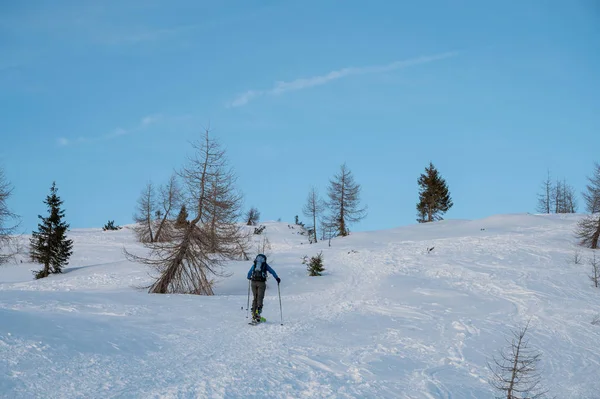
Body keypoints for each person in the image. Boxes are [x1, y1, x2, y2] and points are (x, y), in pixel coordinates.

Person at [247, 253, 280, 322]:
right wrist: (277, 278)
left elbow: (249, 273)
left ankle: (253, 314)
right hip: (261, 283)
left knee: (255, 297)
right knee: (260, 297)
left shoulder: (255, 265)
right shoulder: (265, 265)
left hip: (253, 282)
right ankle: (258, 314)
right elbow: (272, 271)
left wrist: (249, 277)